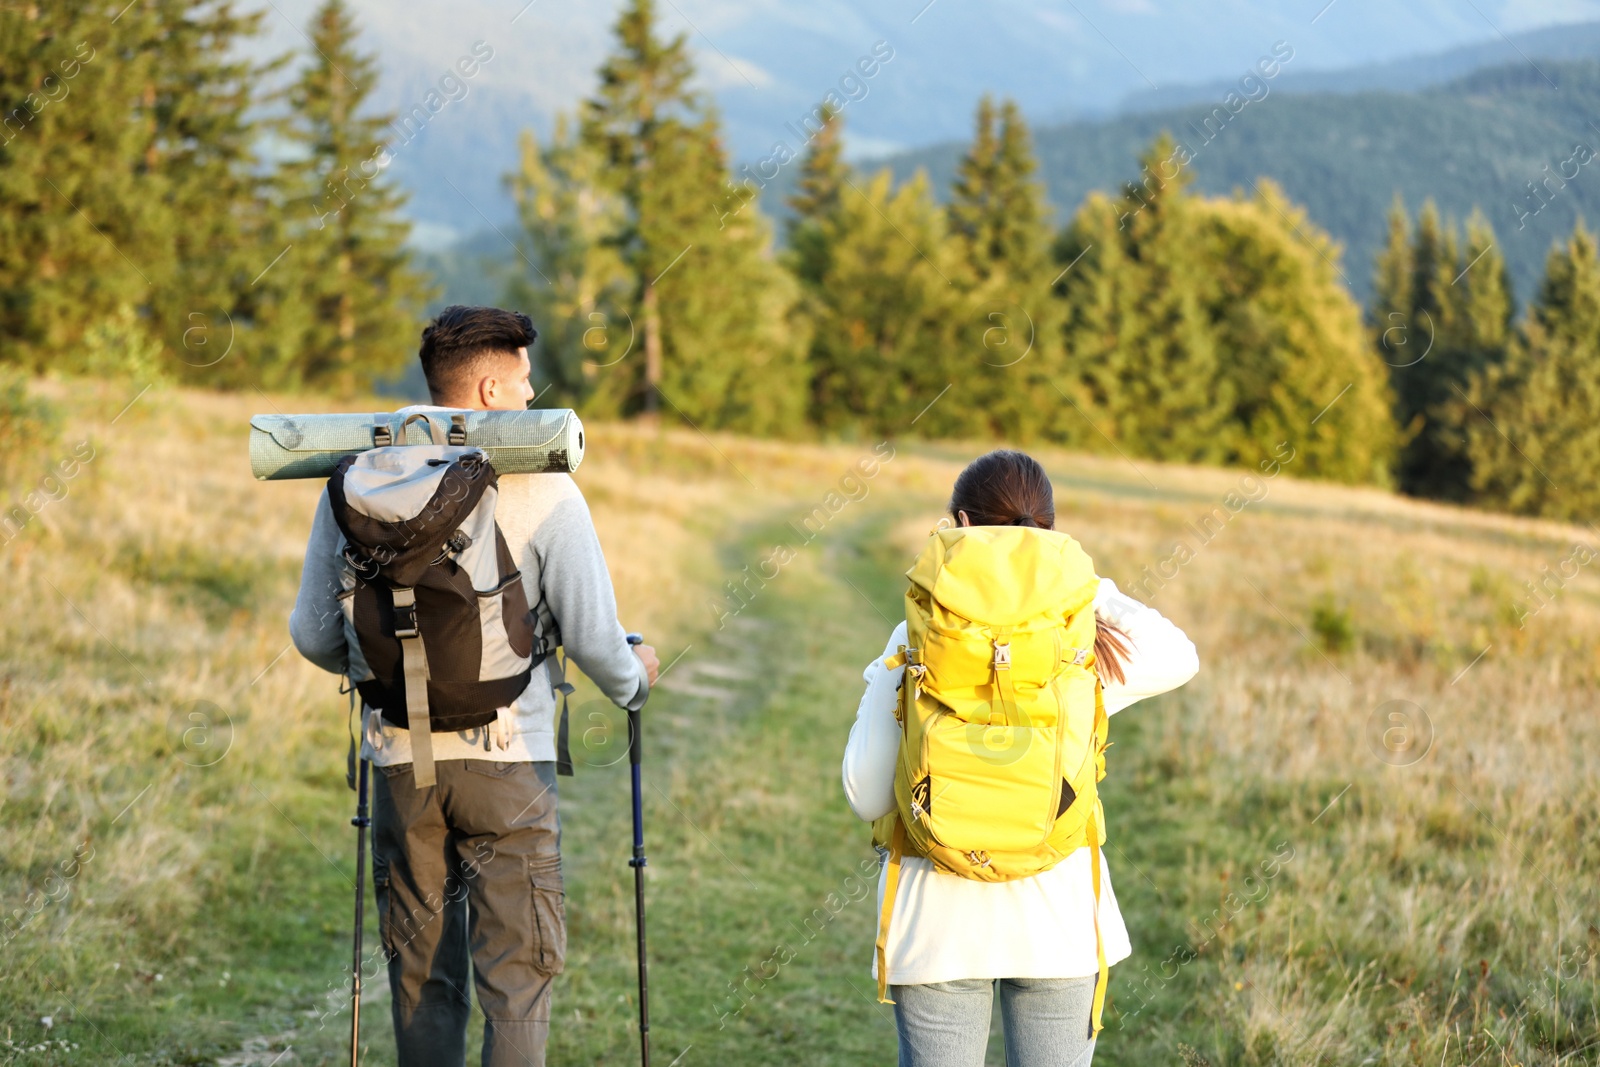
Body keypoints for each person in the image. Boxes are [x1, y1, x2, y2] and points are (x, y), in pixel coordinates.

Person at [289, 305, 660, 1067]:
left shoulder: (356, 482)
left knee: (423, 975)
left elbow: (313, 635)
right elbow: (596, 640)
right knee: (518, 976)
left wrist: (380, 670)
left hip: (397, 761)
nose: (532, 399)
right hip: (508, 763)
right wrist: (637, 674)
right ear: (489, 389)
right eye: (523, 383)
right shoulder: (545, 489)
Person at [841, 449, 1199, 1067]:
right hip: (1056, 923)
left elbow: (866, 794)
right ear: (1051, 533)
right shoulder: (1080, 639)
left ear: (959, 525)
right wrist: (1083, 590)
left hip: (936, 926)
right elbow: (1178, 656)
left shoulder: (913, 639)